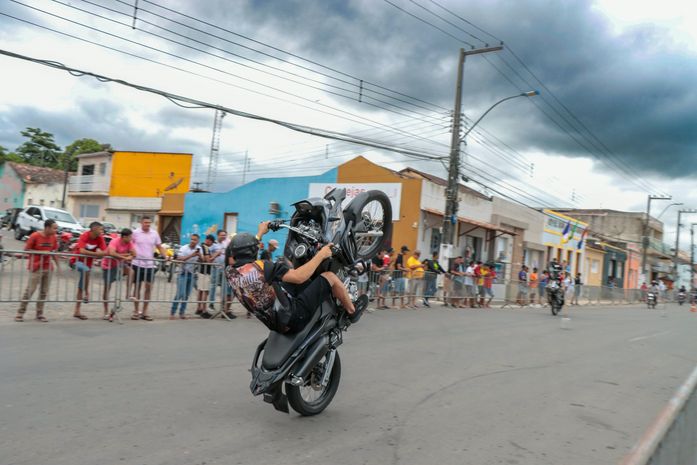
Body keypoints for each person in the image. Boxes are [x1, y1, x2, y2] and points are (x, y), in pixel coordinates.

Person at [226, 221, 367, 333]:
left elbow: (247, 254)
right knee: (329, 276)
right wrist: (321, 254)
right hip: (293, 317)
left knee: (295, 279)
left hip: (274, 322)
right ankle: (352, 311)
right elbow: (299, 277)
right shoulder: (264, 267)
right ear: (254, 251)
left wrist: (260, 233)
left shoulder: (230, 273)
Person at [15, 219, 60, 322]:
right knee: (30, 290)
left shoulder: (53, 237)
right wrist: (41, 252)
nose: (56, 230)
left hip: (48, 267)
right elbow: (26, 249)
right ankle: (20, 313)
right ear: (47, 227)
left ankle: (39, 313)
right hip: (36, 266)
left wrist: (58, 266)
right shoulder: (35, 235)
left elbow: (54, 251)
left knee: (44, 292)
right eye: (54, 228)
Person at [131, 216, 168, 321]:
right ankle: (136, 311)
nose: (147, 224)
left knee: (148, 288)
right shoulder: (135, 233)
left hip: (150, 264)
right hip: (137, 263)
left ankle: (145, 312)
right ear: (141, 223)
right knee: (137, 288)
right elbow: (130, 245)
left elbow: (160, 247)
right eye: (145, 222)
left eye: (149, 223)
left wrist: (166, 256)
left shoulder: (154, 233)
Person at [69, 221, 107, 320]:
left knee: (81, 284)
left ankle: (77, 311)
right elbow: (81, 251)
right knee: (86, 271)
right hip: (75, 261)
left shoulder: (100, 238)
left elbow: (104, 252)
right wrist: (96, 254)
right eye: (100, 229)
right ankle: (87, 293)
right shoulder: (84, 236)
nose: (102, 231)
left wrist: (97, 254)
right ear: (94, 229)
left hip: (87, 265)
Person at [101, 228, 136, 322]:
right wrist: (125, 257)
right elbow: (112, 253)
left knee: (131, 272)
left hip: (118, 265)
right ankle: (105, 311)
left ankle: (128, 294)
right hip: (108, 265)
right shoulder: (115, 241)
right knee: (107, 288)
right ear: (124, 237)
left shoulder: (129, 243)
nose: (131, 238)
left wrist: (130, 256)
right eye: (130, 237)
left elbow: (134, 253)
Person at [170, 234, 201, 319]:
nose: (192, 241)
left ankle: (182, 313)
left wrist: (200, 256)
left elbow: (202, 261)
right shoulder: (184, 248)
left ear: (198, 241)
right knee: (180, 294)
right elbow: (180, 259)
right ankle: (172, 312)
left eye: (194, 240)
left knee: (186, 295)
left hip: (191, 274)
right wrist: (192, 255)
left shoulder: (199, 249)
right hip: (182, 273)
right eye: (191, 239)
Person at [209, 229, 233, 314]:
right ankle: (211, 303)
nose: (224, 236)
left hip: (223, 269)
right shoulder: (213, 245)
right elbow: (209, 258)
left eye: (225, 235)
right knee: (213, 286)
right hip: (215, 268)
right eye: (222, 235)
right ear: (218, 235)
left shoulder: (225, 244)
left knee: (224, 287)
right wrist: (216, 255)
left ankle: (222, 305)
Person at [196, 234, 215, 317]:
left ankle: (199, 308)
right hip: (205, 272)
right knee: (205, 291)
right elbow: (207, 261)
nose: (212, 244)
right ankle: (204, 310)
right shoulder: (206, 248)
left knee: (200, 290)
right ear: (209, 240)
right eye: (212, 242)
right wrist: (216, 255)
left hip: (201, 271)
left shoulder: (201, 246)